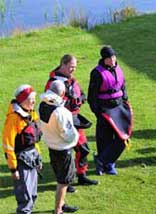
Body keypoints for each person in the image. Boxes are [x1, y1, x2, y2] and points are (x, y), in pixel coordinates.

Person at [45, 54, 98, 186]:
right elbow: (49, 103)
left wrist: (81, 96)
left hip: (75, 119)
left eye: (74, 67)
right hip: (62, 121)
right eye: (71, 67)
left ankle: (81, 175)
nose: (73, 70)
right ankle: (63, 182)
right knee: (64, 153)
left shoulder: (71, 79)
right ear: (63, 64)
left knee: (83, 149)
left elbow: (79, 92)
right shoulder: (53, 83)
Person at [88, 46, 133, 175]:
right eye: (109, 58)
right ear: (104, 59)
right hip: (104, 108)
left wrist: (125, 100)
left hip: (119, 107)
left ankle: (102, 160)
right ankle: (108, 165)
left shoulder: (119, 69)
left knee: (122, 137)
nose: (112, 61)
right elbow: (92, 94)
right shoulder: (97, 73)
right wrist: (97, 111)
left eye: (113, 57)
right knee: (104, 138)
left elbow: (123, 86)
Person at [39, 80, 79, 213]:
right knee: (63, 181)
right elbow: (67, 134)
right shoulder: (61, 112)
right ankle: (58, 210)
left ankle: (61, 204)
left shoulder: (42, 105)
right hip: (63, 149)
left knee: (61, 178)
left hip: (51, 146)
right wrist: (76, 136)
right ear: (62, 93)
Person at [2, 85, 42, 214]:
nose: (34, 101)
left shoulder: (31, 114)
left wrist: (38, 158)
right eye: (31, 98)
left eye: (34, 98)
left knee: (33, 194)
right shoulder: (13, 119)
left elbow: (34, 140)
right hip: (21, 161)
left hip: (33, 158)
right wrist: (13, 168)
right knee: (25, 197)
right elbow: (8, 145)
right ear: (23, 99)